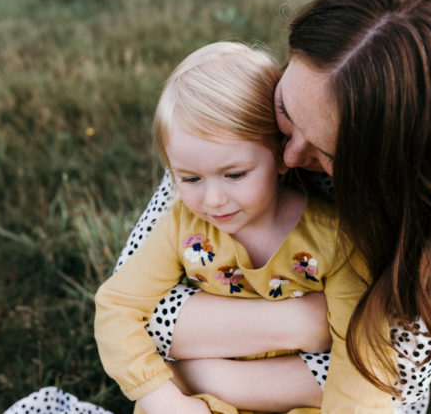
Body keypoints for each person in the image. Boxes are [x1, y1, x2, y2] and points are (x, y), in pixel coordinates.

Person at [6, 0, 431, 414]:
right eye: (286, 112)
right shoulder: (229, 134)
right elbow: (136, 311)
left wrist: (205, 369)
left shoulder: (411, 205)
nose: (289, 157)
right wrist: (304, 324)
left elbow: (395, 374)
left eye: (329, 153)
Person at [94, 40, 394, 414]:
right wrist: (157, 394)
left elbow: (359, 349)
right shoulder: (181, 227)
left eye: (234, 174)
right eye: (190, 179)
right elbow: (116, 306)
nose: (214, 199)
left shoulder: (334, 238)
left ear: (282, 155)